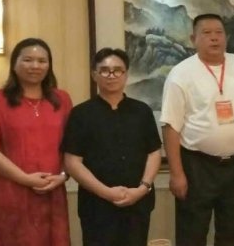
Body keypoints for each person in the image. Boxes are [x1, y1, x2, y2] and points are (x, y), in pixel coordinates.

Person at [160, 14, 234, 246]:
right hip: (197, 166)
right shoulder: (181, 74)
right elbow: (170, 126)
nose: (214, 38)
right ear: (193, 39)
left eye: (219, 32)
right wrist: (176, 173)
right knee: (192, 232)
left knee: (233, 231)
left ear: (226, 37)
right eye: (207, 33)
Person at [0, 38, 72, 246]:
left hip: (52, 192)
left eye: (42, 61)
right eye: (27, 60)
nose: (35, 66)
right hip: (10, 193)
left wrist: (63, 176)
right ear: (14, 64)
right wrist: (25, 179)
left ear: (49, 65)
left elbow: (72, 145)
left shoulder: (62, 100)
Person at [62, 47, 162, 246]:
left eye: (117, 70)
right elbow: (72, 162)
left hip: (138, 202)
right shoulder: (81, 114)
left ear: (126, 75)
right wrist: (106, 193)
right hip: (96, 206)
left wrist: (142, 189)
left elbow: (154, 152)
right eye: (104, 70)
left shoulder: (142, 111)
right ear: (94, 75)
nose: (111, 75)